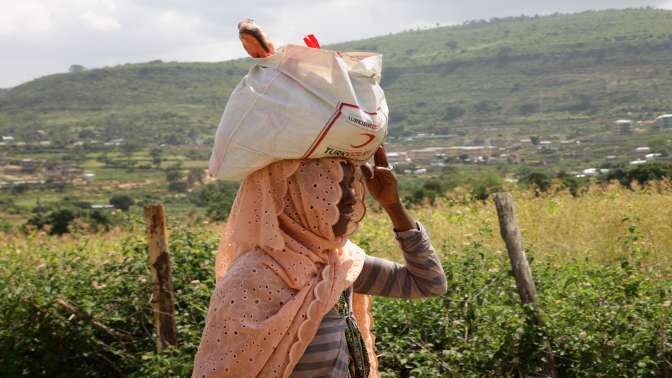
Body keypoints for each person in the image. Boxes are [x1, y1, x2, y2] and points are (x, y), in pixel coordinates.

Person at [191, 22, 447, 378]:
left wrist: (394, 207)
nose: (347, 201)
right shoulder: (250, 280)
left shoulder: (338, 266)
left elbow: (428, 284)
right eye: (331, 190)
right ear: (294, 198)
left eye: (349, 187)